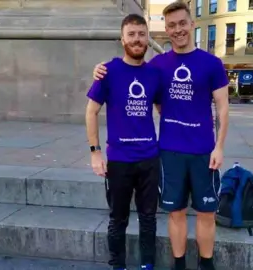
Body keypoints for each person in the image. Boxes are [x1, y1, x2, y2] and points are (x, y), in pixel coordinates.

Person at [92, 2, 229, 270]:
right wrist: (99, 70)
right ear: (165, 30)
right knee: (175, 213)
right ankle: (179, 264)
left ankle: (206, 264)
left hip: (204, 151)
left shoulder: (211, 63)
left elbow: (223, 109)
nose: (177, 30)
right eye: (171, 26)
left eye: (182, 23)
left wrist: (220, 146)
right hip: (169, 151)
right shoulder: (157, 66)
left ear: (191, 24)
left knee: (207, 213)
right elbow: (149, 93)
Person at [85, 14, 162, 270]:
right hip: (119, 161)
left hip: (149, 159)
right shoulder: (108, 71)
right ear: (122, 39)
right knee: (118, 220)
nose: (137, 39)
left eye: (141, 34)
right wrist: (95, 152)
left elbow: (164, 109)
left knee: (148, 218)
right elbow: (91, 112)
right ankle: (117, 265)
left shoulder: (154, 74)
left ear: (148, 38)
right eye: (131, 34)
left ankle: (147, 265)